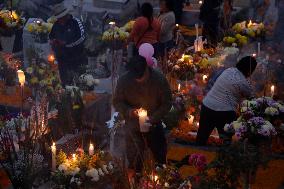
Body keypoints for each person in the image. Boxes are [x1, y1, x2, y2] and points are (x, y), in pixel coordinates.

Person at [113, 55, 172, 179]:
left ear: (147, 68)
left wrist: (153, 118)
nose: (139, 80)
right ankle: (136, 178)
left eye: (142, 77)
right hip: (133, 126)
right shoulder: (124, 80)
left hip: (154, 124)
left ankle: (161, 178)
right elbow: (117, 102)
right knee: (134, 159)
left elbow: (167, 103)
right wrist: (129, 111)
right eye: (136, 78)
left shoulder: (159, 79)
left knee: (160, 156)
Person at [196, 56, 258, 145]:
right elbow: (251, 98)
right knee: (226, 141)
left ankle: (196, 156)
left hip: (207, 106)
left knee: (201, 138)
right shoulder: (243, 83)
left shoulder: (228, 70)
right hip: (225, 112)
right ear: (250, 71)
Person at [49, 2, 87, 87]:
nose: (59, 20)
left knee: (78, 81)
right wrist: (53, 42)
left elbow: (82, 37)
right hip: (62, 58)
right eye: (58, 18)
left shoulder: (76, 22)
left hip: (77, 56)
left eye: (61, 18)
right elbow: (51, 36)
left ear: (65, 15)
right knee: (64, 81)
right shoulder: (56, 25)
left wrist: (67, 44)